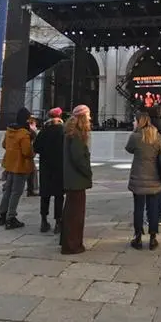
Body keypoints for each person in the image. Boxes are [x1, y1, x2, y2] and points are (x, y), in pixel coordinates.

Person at [126, 113, 161, 250]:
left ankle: (138, 237)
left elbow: (129, 149)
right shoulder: (157, 136)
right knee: (153, 209)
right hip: (154, 178)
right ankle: (153, 238)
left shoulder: (136, 136)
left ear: (139, 122)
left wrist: (135, 131)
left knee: (138, 208)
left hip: (138, 177)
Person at [61, 104, 93, 255]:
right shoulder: (77, 135)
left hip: (72, 179)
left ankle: (68, 242)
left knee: (70, 212)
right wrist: (88, 172)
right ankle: (72, 245)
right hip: (77, 180)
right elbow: (79, 158)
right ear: (82, 118)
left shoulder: (70, 132)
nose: (90, 118)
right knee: (76, 215)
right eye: (88, 116)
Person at [0, 107, 35, 229]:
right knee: (16, 192)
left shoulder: (9, 131)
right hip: (20, 166)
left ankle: (2, 215)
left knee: (7, 190)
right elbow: (27, 152)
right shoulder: (23, 134)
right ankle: (11, 217)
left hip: (9, 165)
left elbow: (4, 145)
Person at [34, 108, 65, 234]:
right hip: (59, 166)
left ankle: (43, 221)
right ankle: (58, 222)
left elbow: (36, 147)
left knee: (45, 194)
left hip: (46, 166)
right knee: (59, 195)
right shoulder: (63, 131)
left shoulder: (43, 131)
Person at [26, 116, 39, 197]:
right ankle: (31, 189)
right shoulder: (31, 130)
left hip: (22, 154)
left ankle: (7, 186)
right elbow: (35, 140)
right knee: (32, 171)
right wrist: (32, 153)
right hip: (27, 154)